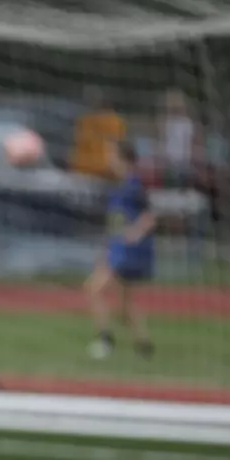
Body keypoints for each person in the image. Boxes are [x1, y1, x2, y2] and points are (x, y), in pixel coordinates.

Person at [85, 139, 156, 359]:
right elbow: (115, 224)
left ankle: (105, 340)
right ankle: (144, 346)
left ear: (123, 158)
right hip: (116, 249)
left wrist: (134, 233)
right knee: (124, 307)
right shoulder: (118, 185)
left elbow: (149, 216)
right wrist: (106, 250)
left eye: (112, 155)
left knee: (94, 289)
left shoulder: (134, 185)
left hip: (128, 252)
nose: (109, 159)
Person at [69, 87, 128, 180]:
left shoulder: (110, 121)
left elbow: (114, 145)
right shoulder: (86, 120)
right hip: (90, 168)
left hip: (91, 169)